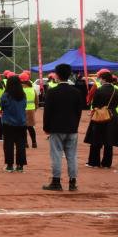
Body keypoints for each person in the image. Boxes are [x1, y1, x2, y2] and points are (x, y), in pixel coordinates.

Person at [42, 63, 83, 191]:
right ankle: (72, 182)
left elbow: (47, 112)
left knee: (56, 155)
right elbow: (78, 111)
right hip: (72, 128)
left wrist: (46, 127)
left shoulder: (52, 92)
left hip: (56, 128)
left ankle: (56, 182)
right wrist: (75, 125)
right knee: (72, 155)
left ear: (57, 75)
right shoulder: (76, 92)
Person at [84, 71, 118, 169]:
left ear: (104, 79)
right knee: (109, 141)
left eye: (100, 78)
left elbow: (95, 104)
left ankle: (94, 162)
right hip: (112, 116)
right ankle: (106, 163)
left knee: (96, 140)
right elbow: (116, 103)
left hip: (99, 116)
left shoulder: (99, 90)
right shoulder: (116, 90)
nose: (99, 80)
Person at [0, 75, 28, 173]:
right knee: (21, 144)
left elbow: (2, 106)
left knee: (8, 144)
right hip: (21, 123)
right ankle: (20, 166)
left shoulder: (6, 95)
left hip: (8, 123)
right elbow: (25, 106)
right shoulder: (23, 95)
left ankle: (10, 165)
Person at [19, 72, 38, 148]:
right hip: (31, 110)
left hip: (21, 110)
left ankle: (25, 143)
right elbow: (36, 101)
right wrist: (34, 109)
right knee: (30, 127)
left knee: (23, 128)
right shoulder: (32, 89)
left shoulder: (20, 90)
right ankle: (34, 143)